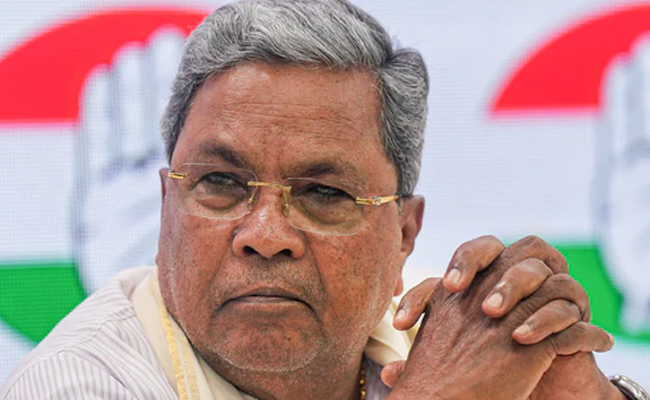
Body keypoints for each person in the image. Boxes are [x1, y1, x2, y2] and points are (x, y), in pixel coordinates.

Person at [1, 0, 647, 399]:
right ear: (168, 205)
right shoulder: (78, 382)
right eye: (221, 184)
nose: (265, 233)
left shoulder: (432, 347)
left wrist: (579, 396)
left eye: (323, 193)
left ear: (404, 234)